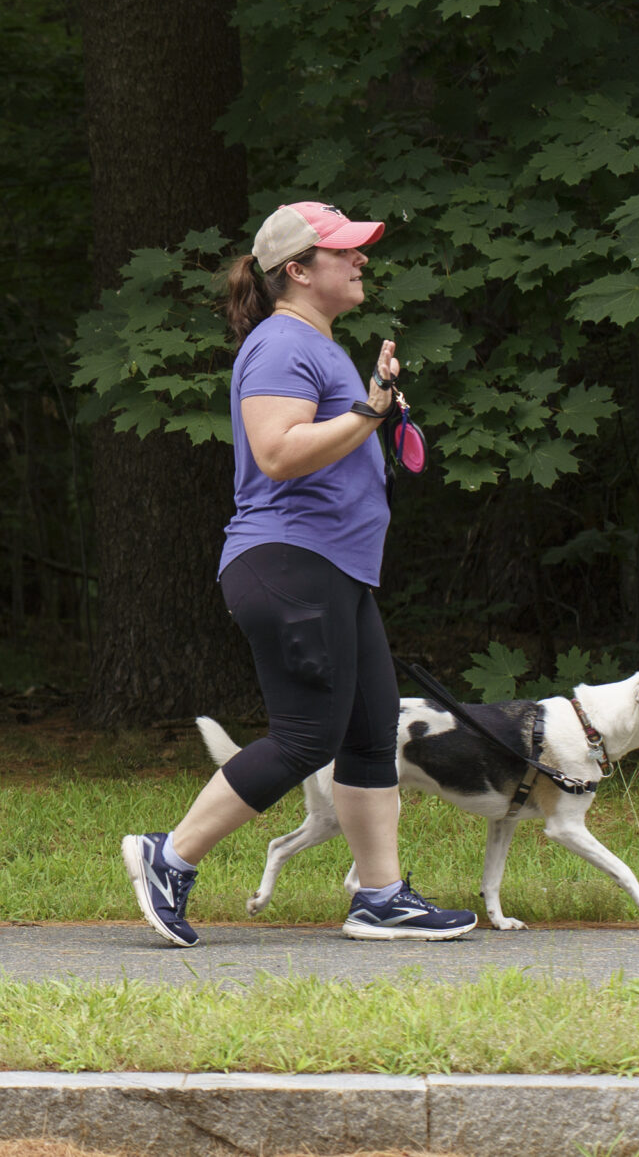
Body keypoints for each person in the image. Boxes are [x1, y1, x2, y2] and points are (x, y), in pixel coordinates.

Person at [122, 202, 478, 946]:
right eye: (346, 251)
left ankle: (380, 896)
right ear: (299, 270)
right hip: (291, 562)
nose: (362, 261)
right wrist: (369, 415)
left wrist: (372, 411)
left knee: (369, 729)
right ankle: (170, 853)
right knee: (307, 735)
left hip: (331, 569)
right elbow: (278, 450)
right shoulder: (282, 343)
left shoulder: (315, 345)